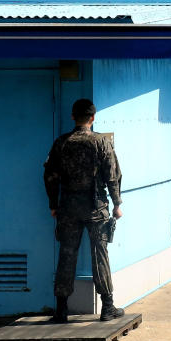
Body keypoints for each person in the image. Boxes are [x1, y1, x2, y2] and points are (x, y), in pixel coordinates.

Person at [43, 98, 124, 324]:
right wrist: (117, 203)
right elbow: (112, 175)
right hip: (96, 208)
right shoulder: (101, 142)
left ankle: (61, 310)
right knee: (100, 253)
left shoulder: (61, 143)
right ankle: (107, 307)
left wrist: (53, 204)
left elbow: (49, 176)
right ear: (93, 118)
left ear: (72, 117)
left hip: (68, 208)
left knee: (67, 254)